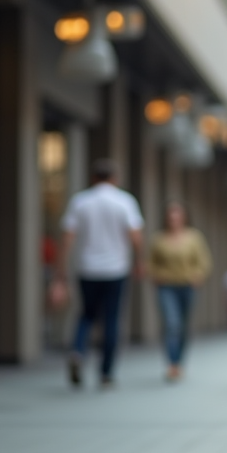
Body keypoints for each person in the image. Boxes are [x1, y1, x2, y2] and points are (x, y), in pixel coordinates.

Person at [53, 159, 144, 388]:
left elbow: (67, 239)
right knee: (111, 319)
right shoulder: (125, 201)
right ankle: (106, 372)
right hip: (116, 269)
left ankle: (77, 351)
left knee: (86, 314)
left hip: (87, 269)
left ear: (93, 178)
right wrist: (139, 261)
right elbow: (135, 236)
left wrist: (61, 271)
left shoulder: (80, 201)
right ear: (115, 178)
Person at [149, 201, 212, 382]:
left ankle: (179, 360)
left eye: (177, 217)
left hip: (187, 286)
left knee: (183, 326)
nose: (174, 220)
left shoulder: (194, 237)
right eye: (171, 217)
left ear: (184, 218)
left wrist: (198, 275)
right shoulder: (158, 239)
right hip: (166, 286)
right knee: (172, 323)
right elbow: (151, 263)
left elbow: (204, 260)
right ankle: (172, 363)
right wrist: (156, 275)